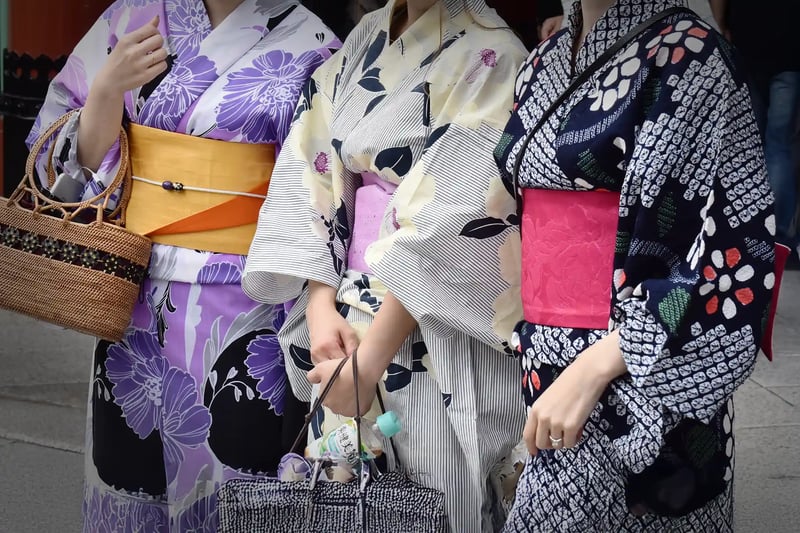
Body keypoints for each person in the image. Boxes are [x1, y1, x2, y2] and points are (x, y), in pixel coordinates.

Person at [26, 0, 338, 530]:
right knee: (124, 483)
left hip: (247, 312)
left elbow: (323, 193)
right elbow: (51, 154)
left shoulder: (315, 44)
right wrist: (104, 94)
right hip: (131, 301)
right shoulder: (134, 16)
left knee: (232, 497)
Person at [243, 0, 527, 530]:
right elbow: (311, 162)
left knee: (429, 501)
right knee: (340, 504)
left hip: (426, 323)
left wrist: (371, 361)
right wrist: (320, 300)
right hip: (344, 320)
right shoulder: (365, 38)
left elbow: (458, 213)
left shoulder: (496, 52)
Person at [495, 0, 775, 531]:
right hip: (548, 357)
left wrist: (600, 363)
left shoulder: (692, 55)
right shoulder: (543, 60)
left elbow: (724, 251)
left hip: (637, 363)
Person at [709, 0, 800, 268]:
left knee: (750, 145)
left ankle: (748, 233)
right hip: (792, 49)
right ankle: (780, 242)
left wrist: (724, 24)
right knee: (779, 146)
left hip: (748, 40)